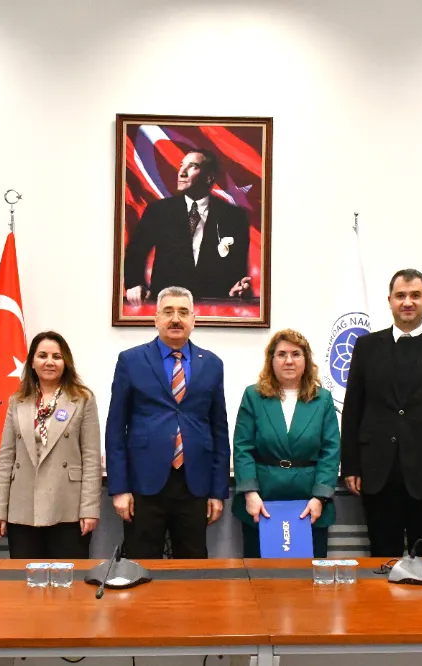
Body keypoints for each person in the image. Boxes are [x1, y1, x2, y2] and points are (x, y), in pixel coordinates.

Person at [340, 268, 422, 557]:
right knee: (382, 560)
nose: (408, 302)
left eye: (415, 295)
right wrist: (350, 466)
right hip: (377, 475)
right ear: (389, 301)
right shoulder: (366, 346)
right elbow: (353, 410)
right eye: (400, 296)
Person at [105, 285, 230, 558]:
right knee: (140, 564)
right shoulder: (131, 360)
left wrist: (218, 491)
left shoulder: (212, 364)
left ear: (193, 320)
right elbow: (115, 429)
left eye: (183, 312)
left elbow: (219, 430)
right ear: (156, 318)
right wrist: (119, 488)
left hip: (194, 483)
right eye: (168, 311)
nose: (176, 319)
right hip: (143, 484)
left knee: (192, 565)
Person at [0, 331, 102, 559]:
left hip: (68, 507)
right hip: (22, 507)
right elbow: (6, 457)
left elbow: (91, 458)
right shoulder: (17, 401)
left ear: (66, 362)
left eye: (56, 357)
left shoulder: (82, 399)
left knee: (67, 577)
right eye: (42, 356)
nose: (49, 362)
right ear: (32, 362)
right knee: (26, 577)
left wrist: (89, 509)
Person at [232, 329, 341, 558]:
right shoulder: (253, 396)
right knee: (260, 573)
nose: (289, 361)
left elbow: (330, 451)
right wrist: (250, 493)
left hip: (310, 501)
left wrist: (320, 497)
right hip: (262, 499)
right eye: (281, 354)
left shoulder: (322, 399)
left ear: (306, 360)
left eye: (296, 354)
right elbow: (243, 447)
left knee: (307, 572)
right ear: (271, 360)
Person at [123, 149, 252, 304]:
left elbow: (237, 268)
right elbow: (136, 253)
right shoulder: (158, 211)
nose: (181, 173)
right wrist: (135, 284)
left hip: (214, 306)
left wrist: (237, 288)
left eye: (192, 167)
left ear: (209, 177)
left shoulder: (234, 217)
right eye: (181, 165)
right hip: (167, 304)